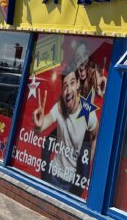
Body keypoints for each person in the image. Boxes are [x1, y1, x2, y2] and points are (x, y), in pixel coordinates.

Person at [33, 61, 99, 194]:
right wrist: (38, 125)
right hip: (53, 175)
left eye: (72, 83)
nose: (68, 90)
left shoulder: (87, 113)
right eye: (65, 86)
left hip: (72, 183)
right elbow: (41, 127)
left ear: (78, 85)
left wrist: (87, 163)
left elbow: (96, 136)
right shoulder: (60, 107)